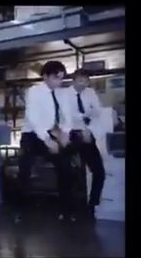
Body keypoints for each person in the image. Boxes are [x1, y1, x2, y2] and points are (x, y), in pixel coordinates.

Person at [16, 61, 75, 223]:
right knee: (25, 169)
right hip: (32, 134)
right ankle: (19, 210)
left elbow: (67, 115)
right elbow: (33, 118)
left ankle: (66, 210)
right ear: (45, 76)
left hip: (52, 133)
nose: (59, 82)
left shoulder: (62, 93)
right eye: (56, 78)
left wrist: (65, 132)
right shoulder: (34, 92)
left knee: (65, 166)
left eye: (61, 78)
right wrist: (47, 140)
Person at [65, 69, 105, 219]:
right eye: (80, 81)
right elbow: (67, 116)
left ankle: (92, 204)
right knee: (68, 171)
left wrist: (88, 127)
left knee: (99, 171)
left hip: (88, 133)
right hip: (70, 134)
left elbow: (98, 112)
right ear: (73, 80)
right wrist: (84, 117)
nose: (83, 84)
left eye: (86, 81)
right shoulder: (64, 95)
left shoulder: (90, 93)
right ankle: (68, 207)